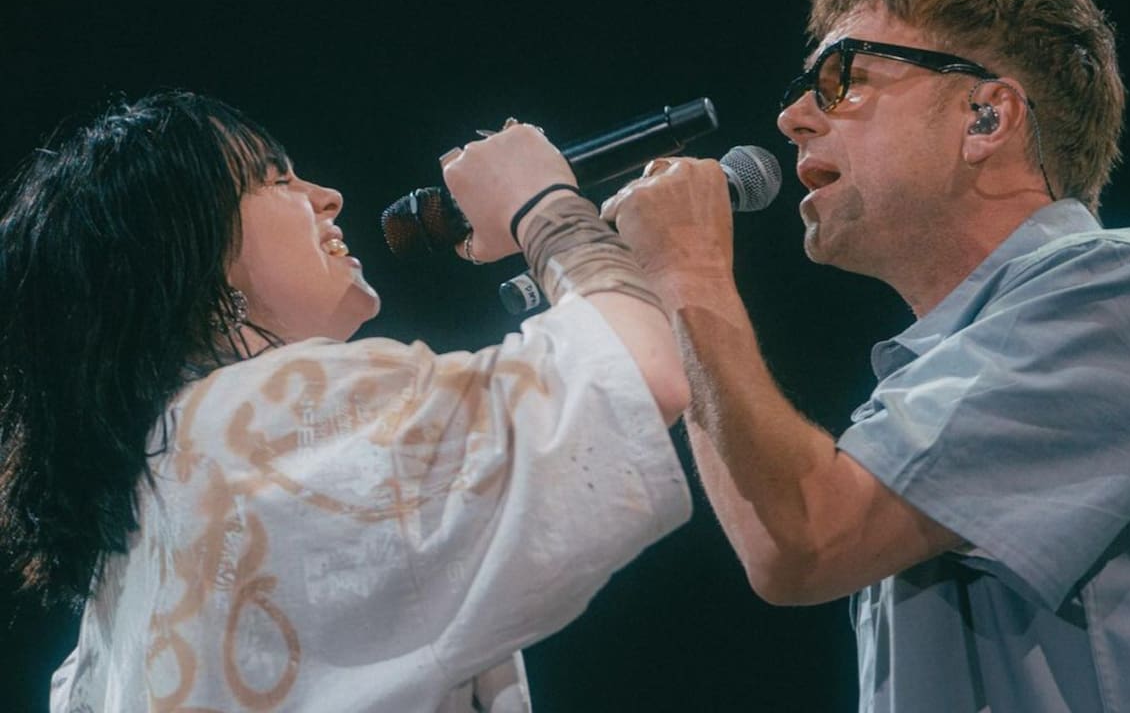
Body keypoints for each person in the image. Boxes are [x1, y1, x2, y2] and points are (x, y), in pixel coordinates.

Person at [601, 0, 1130, 712]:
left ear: (986, 116)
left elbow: (803, 540)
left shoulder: (1124, 286)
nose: (791, 118)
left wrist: (689, 272)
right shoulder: (932, 378)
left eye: (842, 78)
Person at [0, 91, 692, 712]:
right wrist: (542, 203)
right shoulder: (266, 417)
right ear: (191, 249)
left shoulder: (126, 562)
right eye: (276, 180)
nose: (327, 195)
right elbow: (631, 376)